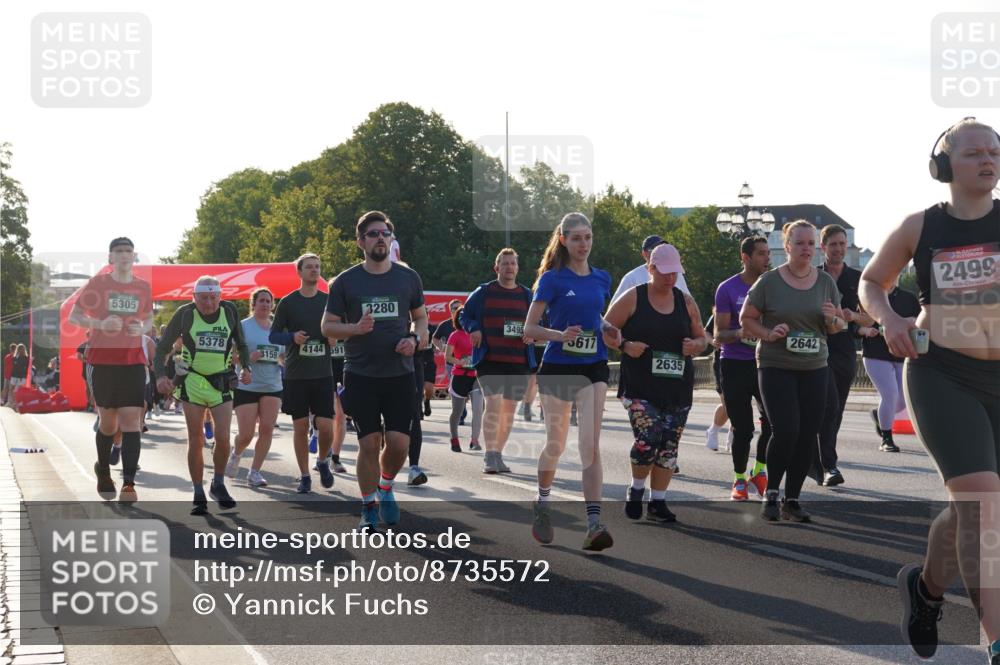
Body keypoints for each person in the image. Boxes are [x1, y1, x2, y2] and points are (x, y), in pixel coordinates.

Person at [859, 118, 1000, 663]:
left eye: (993, 151)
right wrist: (890, 319)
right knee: (984, 507)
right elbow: (873, 281)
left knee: (973, 507)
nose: (986, 160)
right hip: (943, 374)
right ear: (943, 166)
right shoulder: (921, 227)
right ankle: (995, 639)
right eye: (972, 153)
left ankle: (925, 589)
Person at [322, 210, 428, 532]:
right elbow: (327, 327)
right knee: (369, 445)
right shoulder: (346, 281)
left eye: (385, 233)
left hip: (400, 371)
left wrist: (414, 338)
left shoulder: (408, 278)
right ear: (360, 242)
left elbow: (421, 318)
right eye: (373, 234)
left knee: (398, 443)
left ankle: (385, 487)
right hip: (361, 374)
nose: (380, 238)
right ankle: (368, 506)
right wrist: (355, 328)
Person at [524, 212, 621, 552]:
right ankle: (542, 501)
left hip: (593, 366)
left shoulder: (601, 278)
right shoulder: (551, 280)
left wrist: (607, 327)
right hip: (558, 367)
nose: (584, 244)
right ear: (563, 240)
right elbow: (529, 330)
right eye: (577, 238)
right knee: (557, 443)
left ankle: (594, 523)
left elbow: (593, 313)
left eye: (588, 237)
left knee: (589, 445)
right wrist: (559, 335)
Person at [740, 220, 844, 523]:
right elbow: (747, 319)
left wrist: (831, 319)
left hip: (815, 367)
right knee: (786, 430)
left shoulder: (825, 282)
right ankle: (771, 493)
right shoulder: (769, 282)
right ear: (787, 247)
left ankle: (792, 499)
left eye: (811, 243)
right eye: (800, 243)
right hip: (776, 366)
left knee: (807, 434)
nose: (806, 249)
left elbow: (838, 328)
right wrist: (769, 333)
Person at [605, 244, 707, 522]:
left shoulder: (685, 301)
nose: (670, 278)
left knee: (669, 446)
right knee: (648, 440)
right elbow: (606, 328)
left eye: (675, 273)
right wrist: (624, 345)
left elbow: (704, 337)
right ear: (650, 269)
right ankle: (637, 489)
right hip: (640, 386)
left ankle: (658, 502)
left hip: (677, 386)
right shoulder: (633, 297)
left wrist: (695, 345)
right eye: (664, 272)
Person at [154, 275, 251, 515]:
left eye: (213, 298)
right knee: (196, 437)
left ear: (220, 296)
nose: (208, 303)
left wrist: (246, 366)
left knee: (223, 436)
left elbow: (241, 342)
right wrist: (159, 376)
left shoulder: (228, 312)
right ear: (194, 297)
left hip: (222, 380)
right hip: (193, 379)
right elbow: (163, 347)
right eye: (203, 298)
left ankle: (218, 483)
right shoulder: (185, 314)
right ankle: (198, 492)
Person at [68, 237, 153, 503]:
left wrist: (143, 328)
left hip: (133, 361)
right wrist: (101, 324)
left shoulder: (143, 287)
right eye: (119, 251)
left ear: (134, 256)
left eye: (128, 251)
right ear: (111, 258)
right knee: (108, 423)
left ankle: (128, 483)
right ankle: (103, 470)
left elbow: (149, 318)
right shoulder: (99, 284)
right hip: (103, 361)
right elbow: (74, 316)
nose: (124, 255)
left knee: (131, 422)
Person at [460, 248, 537, 473]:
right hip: (490, 358)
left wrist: (532, 333)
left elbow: (540, 321)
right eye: (505, 264)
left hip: (517, 360)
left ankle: (498, 454)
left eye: (513, 263)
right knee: (493, 404)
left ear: (517, 268)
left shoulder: (526, 295)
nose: (509, 267)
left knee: (509, 410)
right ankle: (489, 455)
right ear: (497, 268)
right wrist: (474, 329)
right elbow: (464, 315)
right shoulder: (484, 292)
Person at [269, 254, 337, 493]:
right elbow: (273, 335)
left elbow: (339, 329)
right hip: (296, 375)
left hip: (322, 373)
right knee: (299, 427)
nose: (314, 270)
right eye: (309, 267)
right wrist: (292, 337)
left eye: (318, 267)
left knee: (326, 426)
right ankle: (305, 475)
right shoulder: (288, 302)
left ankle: (322, 461)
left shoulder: (329, 301)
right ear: (299, 272)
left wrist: (333, 337)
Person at [714, 236, 773, 501]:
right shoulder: (727, 288)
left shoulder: (774, 286)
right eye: (761, 254)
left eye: (768, 253)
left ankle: (760, 471)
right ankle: (739, 480)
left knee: (774, 424)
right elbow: (719, 334)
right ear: (745, 257)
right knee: (744, 428)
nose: (766, 258)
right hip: (735, 364)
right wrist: (742, 331)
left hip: (768, 364)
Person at [811, 224, 865, 487]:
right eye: (833, 244)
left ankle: (818, 459)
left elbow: (872, 316)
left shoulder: (859, 278)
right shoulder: (813, 276)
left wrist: (852, 315)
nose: (839, 249)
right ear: (823, 247)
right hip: (816, 348)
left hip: (844, 350)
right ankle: (829, 465)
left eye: (843, 244)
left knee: (836, 409)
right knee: (828, 406)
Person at [226, 287, 283, 487]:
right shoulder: (243, 326)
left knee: (267, 429)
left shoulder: (278, 327)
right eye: (262, 301)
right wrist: (248, 358)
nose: (265, 304)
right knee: (246, 434)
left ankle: (255, 472)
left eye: (269, 301)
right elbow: (230, 356)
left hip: (273, 384)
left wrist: (282, 359)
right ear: (253, 304)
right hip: (247, 385)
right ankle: (236, 453)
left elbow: (284, 356)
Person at [858, 281, 919, 452]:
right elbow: (856, 324)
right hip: (876, 353)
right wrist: (864, 331)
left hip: (901, 353)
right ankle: (887, 438)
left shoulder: (908, 298)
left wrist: (913, 321)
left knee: (902, 401)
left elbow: (922, 320)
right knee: (890, 395)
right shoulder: (869, 296)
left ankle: (879, 415)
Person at [445, 307, 484, 452]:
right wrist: (460, 362)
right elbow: (447, 356)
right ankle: (454, 438)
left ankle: (474, 440)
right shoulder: (455, 335)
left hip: (476, 377)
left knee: (478, 410)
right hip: (460, 376)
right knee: (457, 412)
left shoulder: (480, 334)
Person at [610, 235, 690, 304]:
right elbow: (613, 312)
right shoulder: (631, 278)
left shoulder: (676, 275)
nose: (660, 252)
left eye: (663, 249)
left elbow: (688, 302)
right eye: (655, 249)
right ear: (644, 254)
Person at [702, 311, 731, 452]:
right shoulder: (721, 311)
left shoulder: (755, 307)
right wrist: (713, 341)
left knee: (742, 403)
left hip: (749, 361)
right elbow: (706, 333)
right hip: (724, 361)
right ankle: (713, 431)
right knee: (729, 404)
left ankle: (735, 436)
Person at [8, 345, 29, 411]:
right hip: (14, 375)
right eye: (19, 349)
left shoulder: (26, 357)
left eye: (21, 349)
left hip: (21, 377)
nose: (20, 350)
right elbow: (14, 364)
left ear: (24, 349)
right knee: (11, 389)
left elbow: (23, 367)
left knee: (16, 391)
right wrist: (16, 357)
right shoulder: (15, 356)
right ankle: (13, 403)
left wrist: (21, 376)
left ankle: (17, 404)